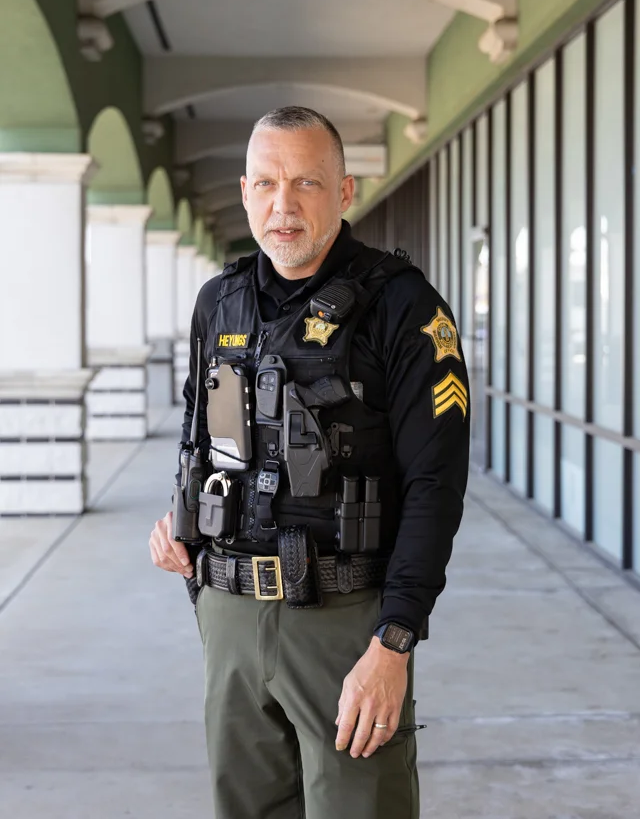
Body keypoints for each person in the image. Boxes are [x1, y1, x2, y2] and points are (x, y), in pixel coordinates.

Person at [149, 106, 470, 819]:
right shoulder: (218, 302)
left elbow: (436, 486)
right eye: (265, 184)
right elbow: (202, 440)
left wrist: (394, 641)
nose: (282, 205)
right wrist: (181, 525)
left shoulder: (405, 307)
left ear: (345, 192)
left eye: (306, 183)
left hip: (345, 622)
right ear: (243, 192)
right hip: (228, 614)